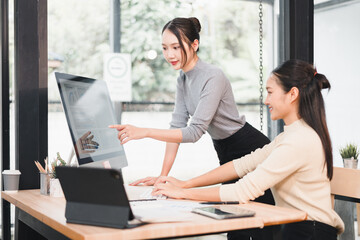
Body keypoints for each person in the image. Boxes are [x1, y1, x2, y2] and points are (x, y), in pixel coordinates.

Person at [110, 17, 275, 240]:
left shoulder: (213, 76)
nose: (169, 55)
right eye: (165, 48)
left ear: (194, 44)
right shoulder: (183, 79)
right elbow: (177, 126)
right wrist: (163, 176)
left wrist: (144, 132)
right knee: (236, 229)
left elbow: (194, 132)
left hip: (249, 147)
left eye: (176, 47)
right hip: (225, 151)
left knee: (259, 227)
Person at [152, 59, 345, 240]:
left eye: (270, 92)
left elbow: (243, 190)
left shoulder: (299, 140)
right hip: (301, 227)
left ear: (292, 94)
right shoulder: (291, 136)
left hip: (310, 232)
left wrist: (184, 193)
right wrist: (185, 184)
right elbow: (241, 165)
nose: (266, 101)